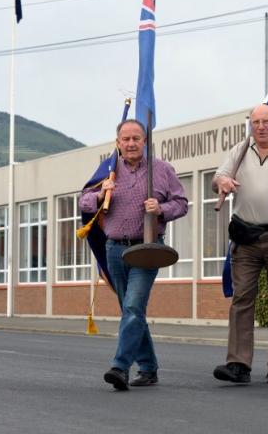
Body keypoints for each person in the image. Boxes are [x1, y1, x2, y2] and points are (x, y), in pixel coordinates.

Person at [79, 119, 188, 391]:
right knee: (132, 311)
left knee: (132, 307)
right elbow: (83, 201)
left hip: (147, 248)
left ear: (145, 141)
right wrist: (100, 195)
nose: (130, 144)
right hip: (114, 249)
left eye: (136, 138)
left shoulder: (161, 170)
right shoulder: (108, 170)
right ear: (117, 143)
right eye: (125, 139)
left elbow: (182, 203)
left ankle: (120, 367)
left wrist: (161, 208)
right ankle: (149, 368)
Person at [212, 104, 268, 385]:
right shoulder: (240, 150)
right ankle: (238, 364)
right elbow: (217, 178)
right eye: (256, 122)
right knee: (241, 299)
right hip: (245, 237)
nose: (260, 127)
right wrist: (222, 181)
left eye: (266, 122)